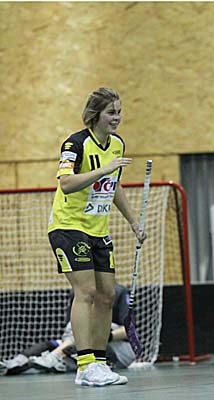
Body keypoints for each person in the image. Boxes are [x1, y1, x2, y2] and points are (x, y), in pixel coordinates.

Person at [47, 87, 145, 387]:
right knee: (87, 292)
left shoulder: (117, 145)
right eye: (111, 112)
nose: (117, 117)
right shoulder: (75, 144)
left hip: (97, 230)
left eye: (119, 112)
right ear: (95, 115)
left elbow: (114, 187)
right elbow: (66, 183)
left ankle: (99, 364)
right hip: (68, 227)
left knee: (106, 295)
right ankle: (84, 365)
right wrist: (104, 169)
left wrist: (133, 221)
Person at [0, 284, 136, 376]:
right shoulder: (78, 293)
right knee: (52, 345)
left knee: (87, 330)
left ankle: (54, 357)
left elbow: (129, 331)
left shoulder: (117, 292)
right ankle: (19, 362)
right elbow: (72, 330)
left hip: (119, 349)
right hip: (82, 344)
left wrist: (103, 336)